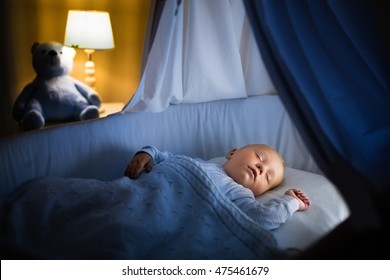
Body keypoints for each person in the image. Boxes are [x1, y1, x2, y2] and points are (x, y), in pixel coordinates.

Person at [124, 144, 311, 230]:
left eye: (268, 177)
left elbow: (264, 217)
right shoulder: (197, 163)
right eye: (259, 157)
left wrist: (291, 201)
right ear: (232, 152)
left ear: (261, 192)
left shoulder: (240, 194)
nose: (261, 168)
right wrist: (146, 154)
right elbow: (163, 156)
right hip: (136, 192)